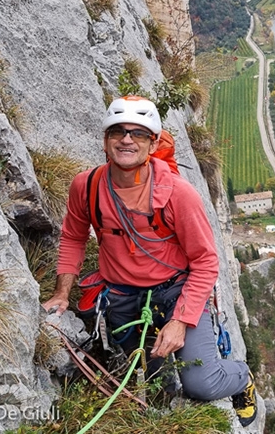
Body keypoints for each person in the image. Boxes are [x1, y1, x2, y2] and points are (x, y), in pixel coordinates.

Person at [42, 96, 255, 425]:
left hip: (176, 292)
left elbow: (205, 262)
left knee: (201, 383)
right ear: (105, 140)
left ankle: (241, 377)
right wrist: (61, 293)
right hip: (122, 296)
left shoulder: (178, 195)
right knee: (152, 377)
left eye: (138, 133)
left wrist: (180, 320)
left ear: (153, 143)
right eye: (118, 131)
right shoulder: (86, 186)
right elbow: (73, 236)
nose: (127, 139)